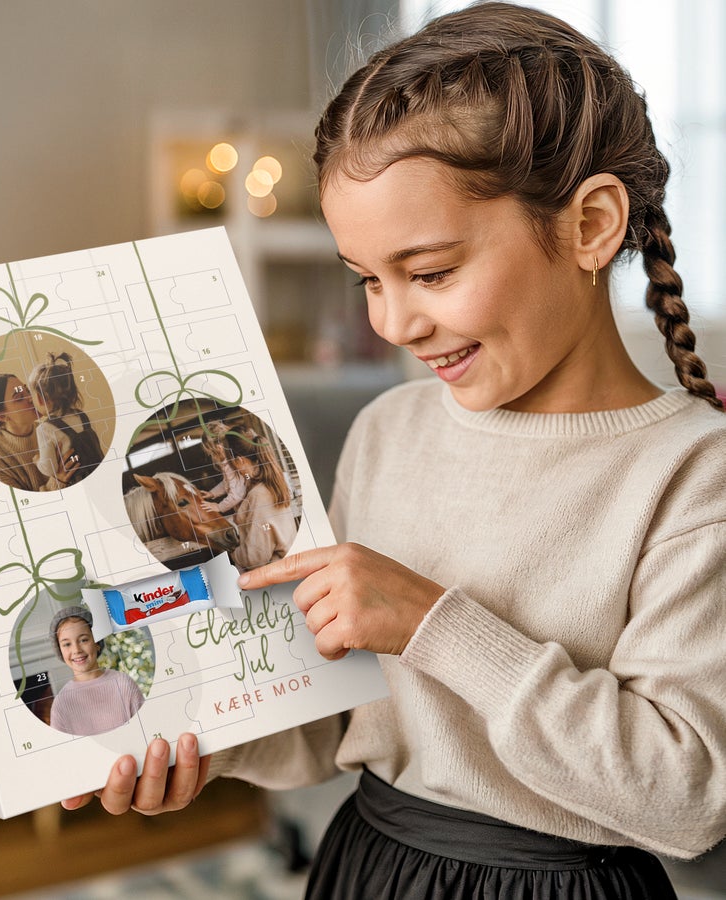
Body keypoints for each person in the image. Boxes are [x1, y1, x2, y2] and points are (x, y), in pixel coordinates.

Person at [62, 4, 726, 898]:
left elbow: (685, 801)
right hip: (369, 864)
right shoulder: (389, 432)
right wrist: (201, 746)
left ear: (592, 224)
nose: (393, 322)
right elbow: (340, 718)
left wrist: (431, 624)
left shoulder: (692, 476)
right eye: (369, 279)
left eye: (432, 271)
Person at [48, 606, 145, 737]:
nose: (76, 650)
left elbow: (146, 727)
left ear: (97, 642)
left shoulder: (123, 684)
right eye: (67, 644)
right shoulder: (61, 704)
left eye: (83, 640)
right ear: (60, 651)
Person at [0, 373, 79, 491]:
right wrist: (57, 481)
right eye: (19, 398)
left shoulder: (52, 430)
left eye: (28, 391)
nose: (31, 398)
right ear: (2, 416)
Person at [222, 426, 299, 572]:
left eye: (229, 462)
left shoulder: (258, 495)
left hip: (274, 574)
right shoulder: (272, 482)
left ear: (238, 461)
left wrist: (231, 549)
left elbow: (255, 558)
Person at [28, 351, 104, 486]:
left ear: (40, 399)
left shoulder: (44, 429)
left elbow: (49, 468)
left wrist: (37, 460)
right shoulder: (83, 416)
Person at [199, 420, 248, 515]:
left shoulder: (231, 464)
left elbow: (237, 495)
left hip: (247, 508)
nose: (213, 457)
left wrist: (219, 507)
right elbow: (227, 483)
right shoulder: (227, 462)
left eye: (212, 453)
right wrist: (212, 493)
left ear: (219, 448)